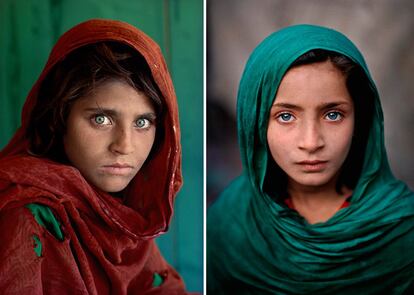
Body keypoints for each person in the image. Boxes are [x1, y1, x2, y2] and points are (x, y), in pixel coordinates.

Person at [207, 24, 414, 294]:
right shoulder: (230, 223)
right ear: (256, 123)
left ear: (360, 120)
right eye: (285, 116)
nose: (311, 142)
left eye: (332, 115)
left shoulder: (402, 229)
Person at [0, 19, 190, 294]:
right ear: (60, 118)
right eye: (101, 119)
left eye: (142, 123)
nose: (124, 146)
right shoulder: (25, 214)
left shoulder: (123, 215)